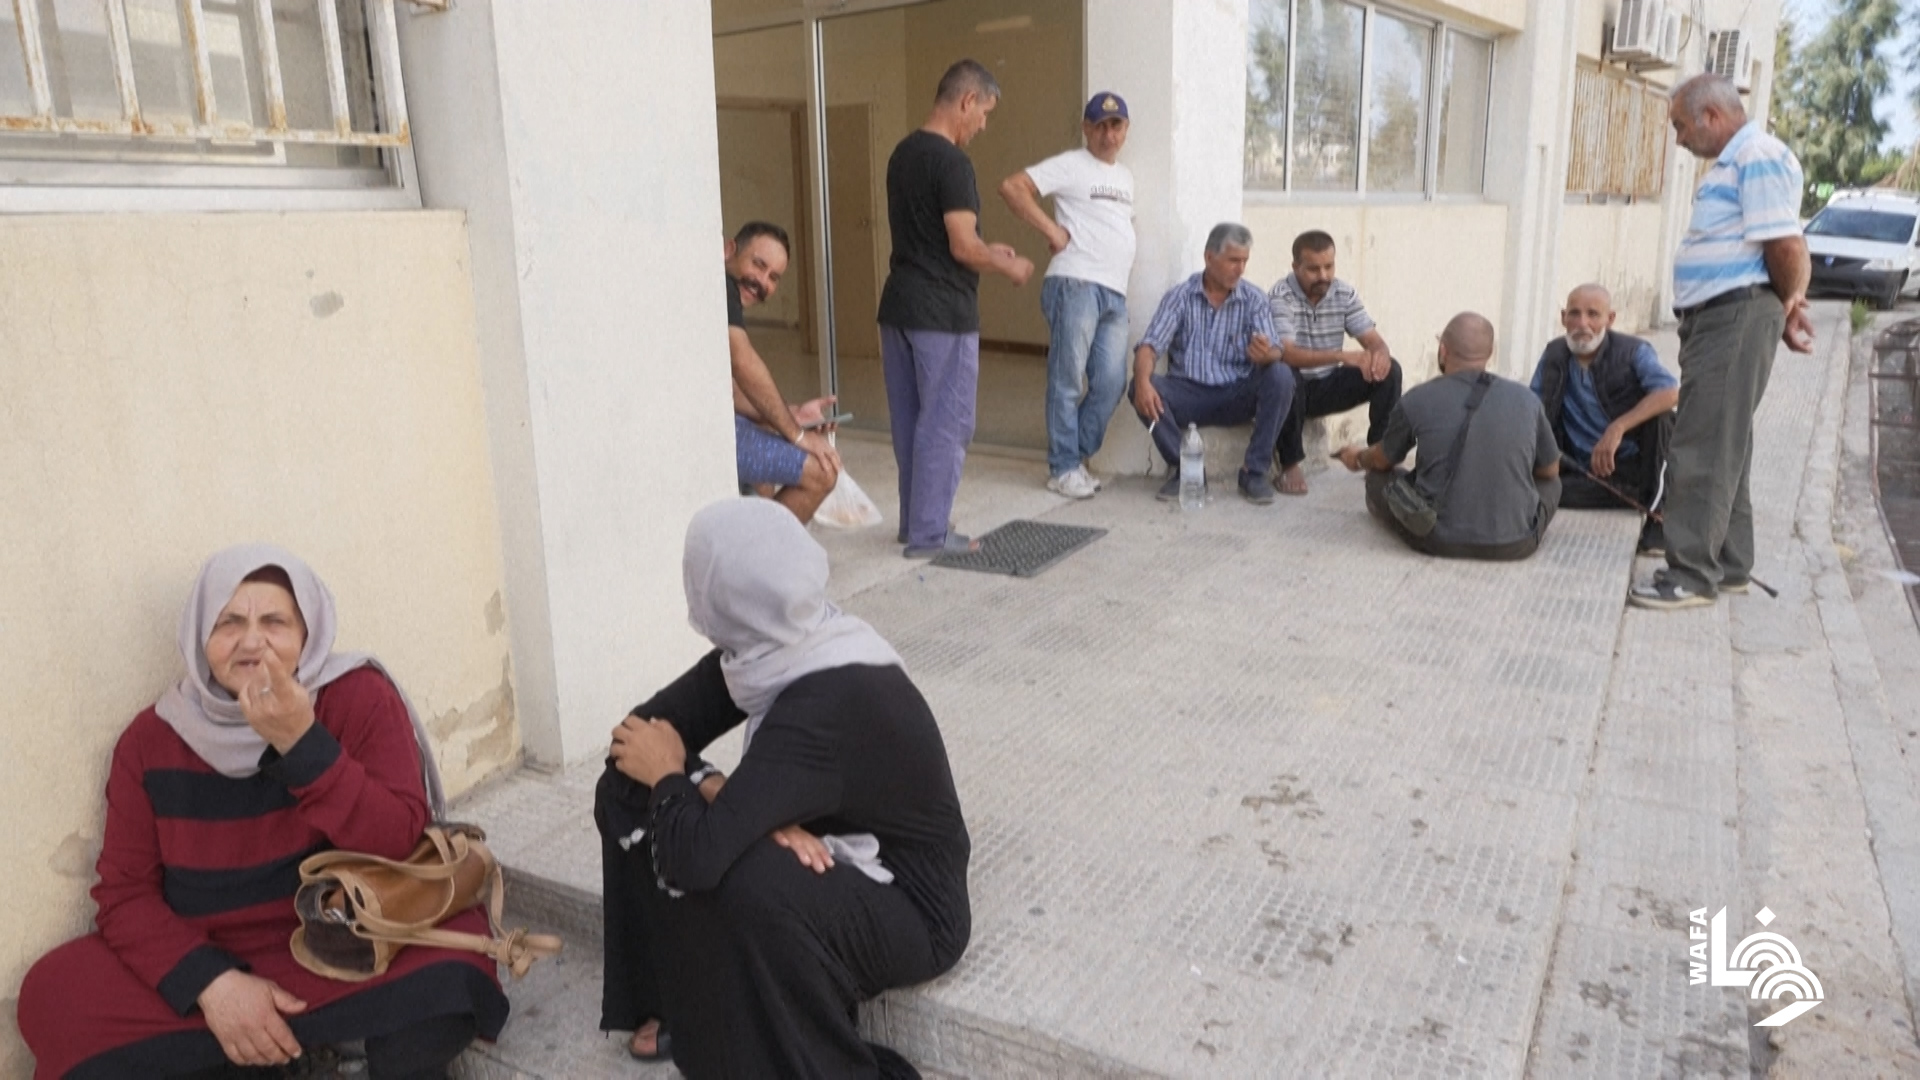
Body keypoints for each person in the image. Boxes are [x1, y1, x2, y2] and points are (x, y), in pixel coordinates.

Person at [18, 545, 507, 1079]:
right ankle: (257, 1045)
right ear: (200, 637)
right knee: (54, 992)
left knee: (450, 975)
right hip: (211, 949)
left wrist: (302, 742)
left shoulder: (356, 698)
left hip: (343, 938)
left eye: (275, 622)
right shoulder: (150, 741)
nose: (252, 642)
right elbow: (125, 894)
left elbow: (396, 838)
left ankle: (260, 1051)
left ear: (307, 633)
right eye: (228, 623)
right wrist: (213, 986)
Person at [595, 498, 970, 1078]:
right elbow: (636, 736)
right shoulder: (770, 645)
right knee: (625, 786)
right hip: (838, 863)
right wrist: (718, 788)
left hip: (914, 911)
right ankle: (672, 999)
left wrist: (680, 777)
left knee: (746, 877)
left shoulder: (827, 695)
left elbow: (696, 856)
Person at [1629, 73, 1815, 610]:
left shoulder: (1756, 155)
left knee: (1701, 446)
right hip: (1720, 319)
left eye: (1681, 126)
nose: (1679, 139)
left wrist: (1789, 303)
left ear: (1711, 116)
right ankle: (1730, 564)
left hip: (1734, 316)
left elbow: (1786, 243)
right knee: (1726, 443)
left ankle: (1690, 575)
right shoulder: (1738, 161)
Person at [878, 59, 1035, 558]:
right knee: (947, 421)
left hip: (899, 306)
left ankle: (914, 523)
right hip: (942, 313)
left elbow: (929, 235)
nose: (982, 125)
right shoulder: (953, 163)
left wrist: (990, 250)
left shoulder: (903, 154)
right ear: (967, 101)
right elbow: (962, 246)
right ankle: (930, 535)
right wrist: (1007, 264)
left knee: (911, 422)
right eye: (984, 113)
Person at [998, 91, 1136, 500]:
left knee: (1111, 382)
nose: (1108, 134)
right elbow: (1013, 187)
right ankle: (1062, 467)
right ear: (1086, 128)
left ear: (1125, 129)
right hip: (1075, 283)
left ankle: (1072, 458)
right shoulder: (1072, 164)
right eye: (1100, 126)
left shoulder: (1126, 178)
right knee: (1067, 378)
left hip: (1114, 293)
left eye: (1116, 125)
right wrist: (1053, 231)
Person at [1337, 313, 1562, 561]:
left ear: (1443, 350)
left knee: (1378, 480)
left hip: (1436, 539)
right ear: (1491, 353)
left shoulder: (1417, 398)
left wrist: (1358, 458)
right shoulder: (1526, 399)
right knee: (1553, 485)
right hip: (1517, 543)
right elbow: (1550, 470)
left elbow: (1382, 460)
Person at [1130, 222, 1292, 504]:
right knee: (1139, 387)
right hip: (1188, 394)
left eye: (1244, 261)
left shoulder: (1253, 298)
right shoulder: (1181, 296)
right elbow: (1149, 347)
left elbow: (1276, 350)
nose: (1240, 269)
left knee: (1281, 375)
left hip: (1236, 393)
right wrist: (1143, 381)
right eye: (1233, 260)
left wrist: (1266, 354)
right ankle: (1186, 470)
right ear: (1209, 257)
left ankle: (1254, 472)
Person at [1529, 284, 1679, 554]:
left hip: (1633, 464)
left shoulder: (1633, 351)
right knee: (1534, 489)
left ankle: (1659, 518)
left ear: (1610, 319)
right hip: (1581, 468)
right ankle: (1631, 497)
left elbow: (1670, 392)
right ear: (1563, 318)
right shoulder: (1554, 355)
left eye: (1593, 314)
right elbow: (1531, 409)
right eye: (1574, 314)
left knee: (1663, 419)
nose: (1582, 324)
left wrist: (1618, 427)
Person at [725, 221, 843, 525]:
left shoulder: (723, 298)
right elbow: (743, 364)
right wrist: (796, 433)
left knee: (764, 478)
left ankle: (751, 548)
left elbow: (730, 392)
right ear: (728, 251)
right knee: (821, 472)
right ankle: (757, 552)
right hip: (701, 432)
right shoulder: (722, 288)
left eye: (773, 277)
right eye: (758, 264)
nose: (762, 282)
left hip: (710, 422)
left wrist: (791, 415)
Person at [1267, 231, 1402, 496]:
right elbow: (1287, 353)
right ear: (1295, 267)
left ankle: (1379, 456)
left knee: (1390, 371)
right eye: (1314, 269)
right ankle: (1290, 465)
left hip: (1327, 385)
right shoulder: (1280, 296)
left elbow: (1374, 341)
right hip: (1293, 388)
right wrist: (1341, 356)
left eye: (1329, 266)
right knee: (1284, 373)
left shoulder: (1343, 293)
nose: (1323, 276)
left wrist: (1380, 354)